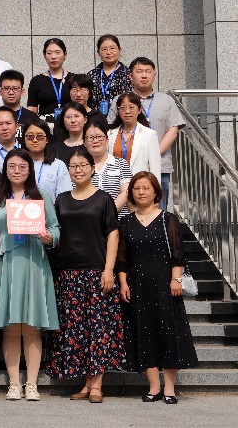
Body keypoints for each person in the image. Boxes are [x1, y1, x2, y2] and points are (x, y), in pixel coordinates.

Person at [44, 149, 124, 403]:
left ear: (92, 168)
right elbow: (57, 234)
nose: (78, 170)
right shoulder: (62, 199)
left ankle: (97, 384)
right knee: (76, 330)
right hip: (68, 273)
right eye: (73, 166)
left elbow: (113, 234)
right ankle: (86, 384)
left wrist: (109, 269)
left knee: (98, 329)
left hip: (96, 272)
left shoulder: (104, 199)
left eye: (82, 165)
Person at [117, 172, 199, 404]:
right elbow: (122, 259)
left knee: (169, 333)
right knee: (144, 334)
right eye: (136, 188)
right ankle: (154, 387)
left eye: (146, 188)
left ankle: (170, 388)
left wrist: (176, 279)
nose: (141, 192)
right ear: (131, 193)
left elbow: (177, 254)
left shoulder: (167, 219)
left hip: (165, 285)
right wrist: (123, 283)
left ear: (156, 192)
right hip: (137, 286)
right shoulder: (125, 222)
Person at [0, 149, 60, 401]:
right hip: (5, 264)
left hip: (33, 263)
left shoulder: (41, 197)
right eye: (12, 166)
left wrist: (49, 238)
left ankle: (31, 383)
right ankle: (14, 383)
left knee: (31, 326)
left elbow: (55, 228)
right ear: (5, 169)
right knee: (10, 327)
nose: (17, 171)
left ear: (30, 170)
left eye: (22, 166)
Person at [125, 57, 184, 208]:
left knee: (159, 211)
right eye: (139, 71)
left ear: (154, 75)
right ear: (131, 76)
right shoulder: (121, 100)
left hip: (161, 165)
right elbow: (114, 130)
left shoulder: (167, 100)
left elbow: (173, 129)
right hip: (129, 166)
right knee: (128, 213)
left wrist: (153, 154)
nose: (144, 75)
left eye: (148, 71)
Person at [109, 93, 162, 178]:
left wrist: (155, 185)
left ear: (139, 110)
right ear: (118, 111)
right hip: (115, 184)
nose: (127, 111)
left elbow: (155, 168)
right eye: (123, 108)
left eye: (131, 107)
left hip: (139, 183)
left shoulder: (149, 134)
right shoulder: (110, 134)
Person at [27, 38, 78, 124]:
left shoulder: (74, 79)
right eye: (49, 53)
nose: (53, 57)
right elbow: (32, 109)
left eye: (57, 52)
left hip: (71, 123)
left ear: (65, 55)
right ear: (44, 56)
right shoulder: (36, 81)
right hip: (45, 125)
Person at [0, 70, 37, 143]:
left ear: (22, 92)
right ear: (0, 91)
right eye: (6, 88)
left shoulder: (32, 117)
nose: (11, 92)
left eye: (15, 88)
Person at [22, 119, 73, 202]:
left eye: (40, 136)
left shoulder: (58, 165)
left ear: (47, 139)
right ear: (24, 139)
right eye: (30, 136)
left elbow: (64, 198)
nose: (35, 140)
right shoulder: (17, 165)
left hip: (50, 209)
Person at [87, 120, 132, 214]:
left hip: (118, 219)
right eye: (90, 138)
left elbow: (126, 192)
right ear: (84, 142)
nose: (95, 141)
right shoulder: (80, 167)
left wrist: (107, 214)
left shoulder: (121, 164)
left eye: (99, 137)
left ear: (107, 140)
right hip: (89, 218)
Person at [90, 35, 133, 116]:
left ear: (119, 50)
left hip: (121, 119)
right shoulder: (92, 75)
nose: (108, 52)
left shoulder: (128, 74)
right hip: (96, 119)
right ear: (98, 52)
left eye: (112, 48)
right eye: (104, 49)